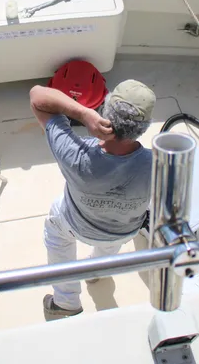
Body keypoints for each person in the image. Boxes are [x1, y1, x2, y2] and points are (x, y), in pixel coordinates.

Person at [29, 79, 156, 320]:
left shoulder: (74, 152)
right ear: (144, 127)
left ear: (105, 111)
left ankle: (66, 301)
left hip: (75, 225)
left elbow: (37, 96)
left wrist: (84, 114)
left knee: (56, 233)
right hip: (124, 231)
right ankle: (96, 271)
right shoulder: (160, 164)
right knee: (110, 243)